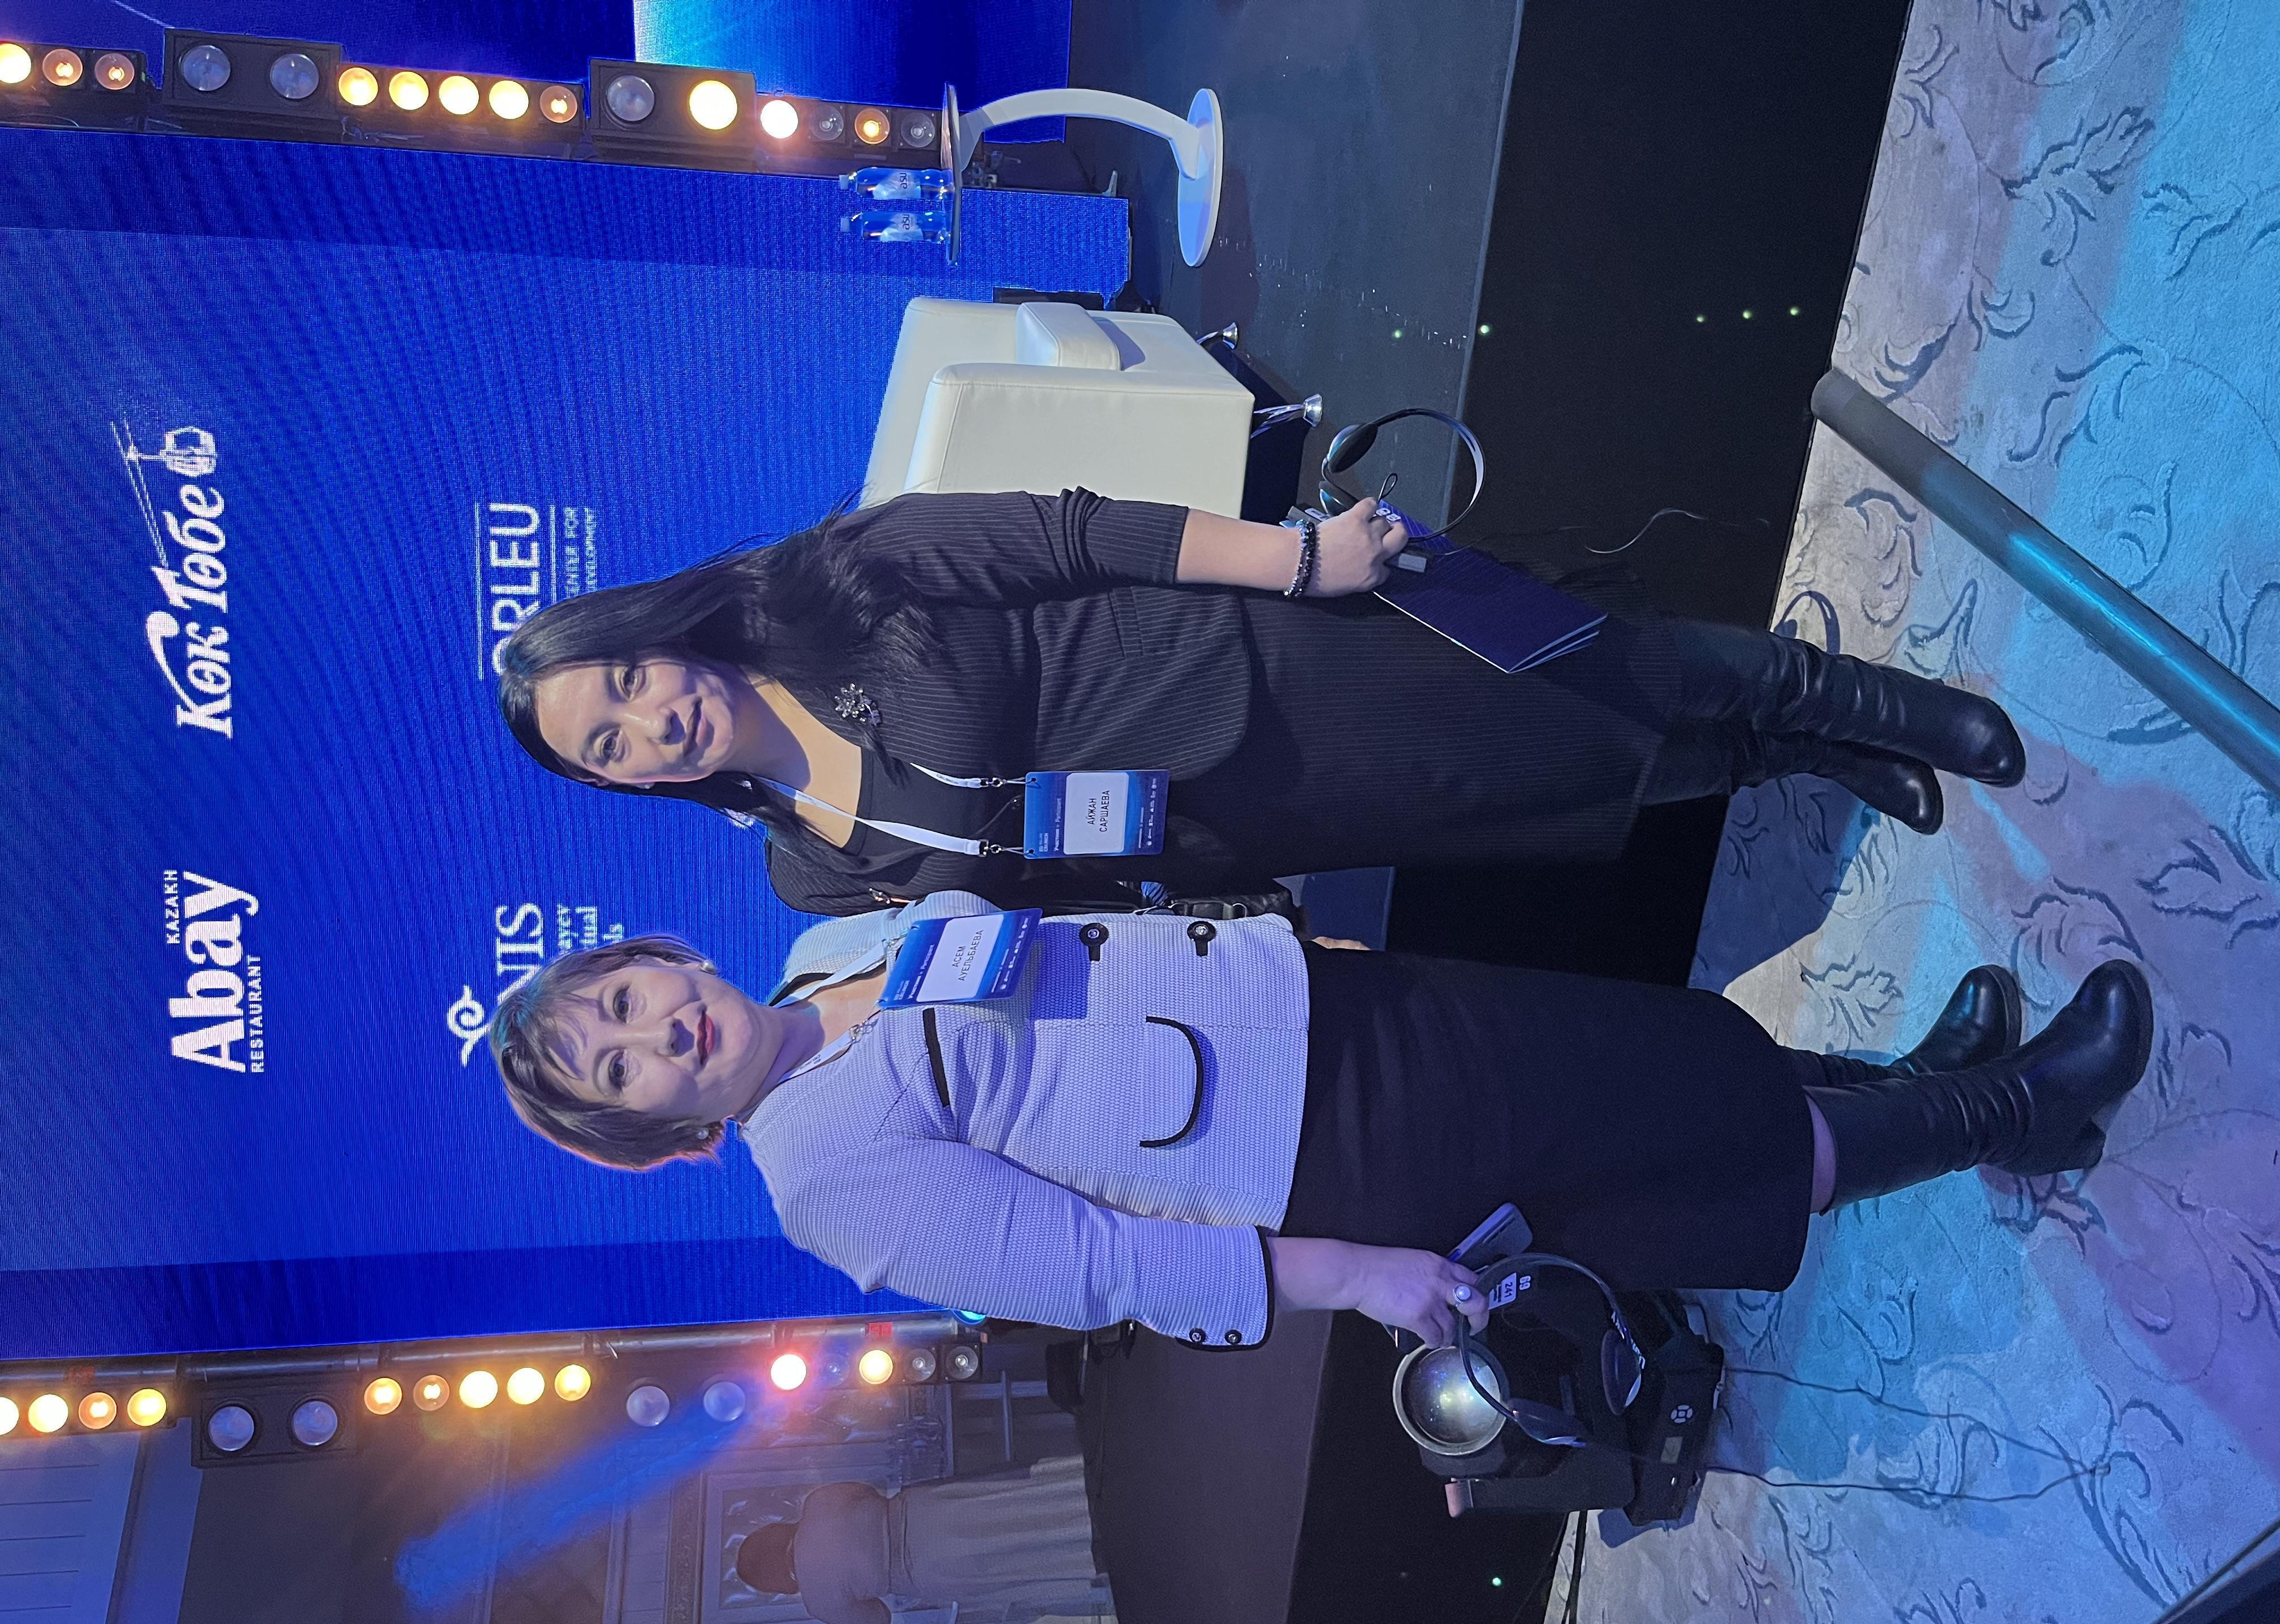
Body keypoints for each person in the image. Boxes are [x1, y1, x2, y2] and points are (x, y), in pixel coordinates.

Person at [487, 894, 2151, 1349]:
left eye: (623, 1000)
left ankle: (1918, 1087)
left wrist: (1284, 949)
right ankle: (2012, 1112)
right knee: (1669, 1152)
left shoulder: (825, 946)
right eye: (620, 1070)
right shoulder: (817, 1176)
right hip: (1329, 1146)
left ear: (659, 959)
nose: (653, 1032)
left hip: (1317, 1009)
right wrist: (1356, 1277)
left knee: (1654, 1058)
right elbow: (1094, 1269)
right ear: (666, 1136)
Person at [496, 489, 2026, 915]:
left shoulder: (849, 575)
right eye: (608, 748)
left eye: (622, 680)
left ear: (655, 633)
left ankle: (1867, 703)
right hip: (1254, 820)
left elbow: (1080, 536)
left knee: (1591, 670)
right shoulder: (808, 872)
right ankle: (1790, 759)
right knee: (1554, 790)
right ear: (625, 786)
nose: (646, 723)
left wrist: (1301, 561)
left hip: (1272, 666)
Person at [731, 1457, 1100, 1624]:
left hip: (928, 1569)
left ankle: (1098, 1555)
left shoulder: (818, 1602)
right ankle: (1093, 1495)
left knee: (1021, 1561)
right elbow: (868, 1492)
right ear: (775, 1531)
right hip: (927, 1508)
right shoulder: (818, 1502)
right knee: (1020, 1505)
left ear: (776, 1583)